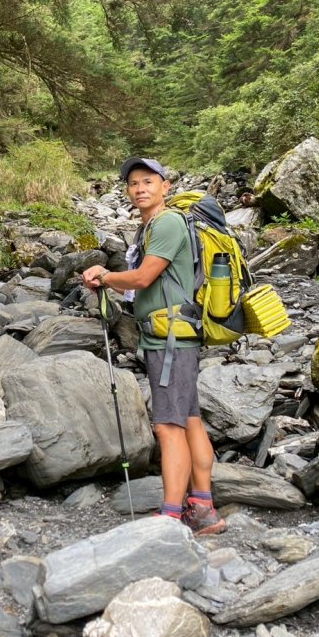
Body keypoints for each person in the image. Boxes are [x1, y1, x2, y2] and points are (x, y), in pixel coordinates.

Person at [81, 157, 225, 535]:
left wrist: (105, 276)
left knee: (167, 427)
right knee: (189, 420)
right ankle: (203, 508)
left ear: (165, 186)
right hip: (175, 333)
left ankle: (171, 516)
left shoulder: (167, 223)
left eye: (148, 181)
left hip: (171, 338)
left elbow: (144, 277)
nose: (140, 188)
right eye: (133, 183)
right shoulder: (153, 225)